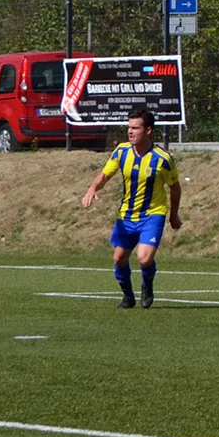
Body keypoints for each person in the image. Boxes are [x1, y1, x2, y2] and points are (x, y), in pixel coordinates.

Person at [80, 105, 181, 309]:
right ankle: (128, 296)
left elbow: (175, 187)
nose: (130, 131)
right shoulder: (122, 151)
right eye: (129, 127)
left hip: (153, 215)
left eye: (135, 127)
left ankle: (147, 284)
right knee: (119, 259)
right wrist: (92, 188)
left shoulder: (163, 159)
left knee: (144, 259)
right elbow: (105, 175)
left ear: (149, 130)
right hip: (126, 215)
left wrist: (174, 215)